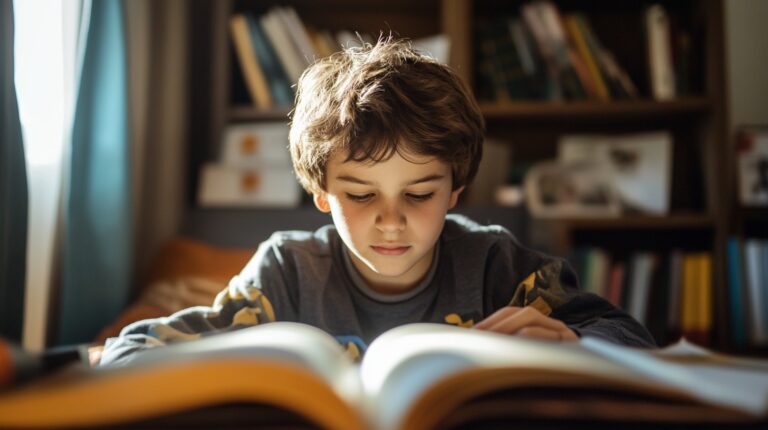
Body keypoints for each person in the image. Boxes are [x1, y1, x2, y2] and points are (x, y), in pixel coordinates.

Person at [100, 37, 653, 366]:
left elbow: (633, 340)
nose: (392, 219)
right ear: (320, 193)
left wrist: (575, 341)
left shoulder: (495, 264)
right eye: (361, 194)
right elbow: (133, 349)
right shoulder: (287, 271)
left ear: (457, 189)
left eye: (420, 193)